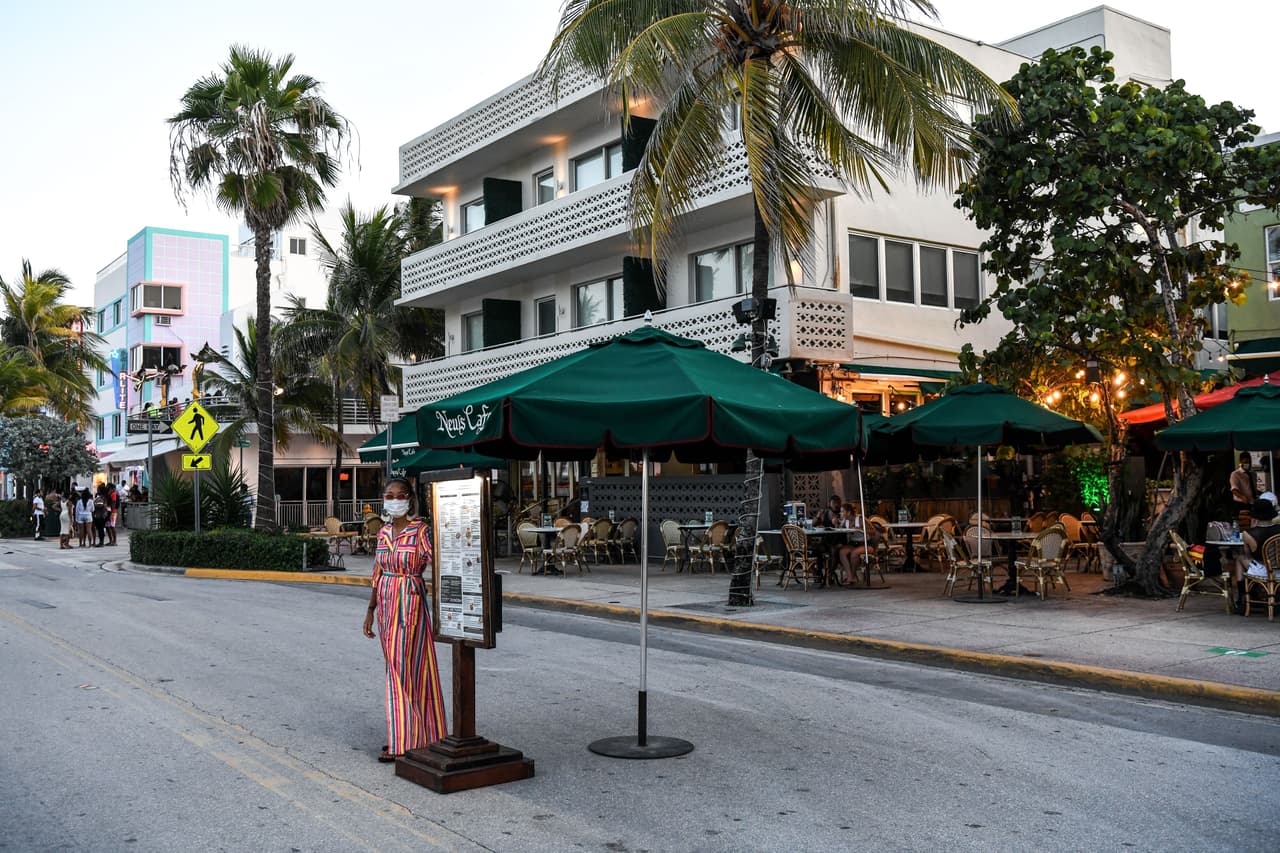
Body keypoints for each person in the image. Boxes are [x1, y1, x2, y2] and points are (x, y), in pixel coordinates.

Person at [361, 476, 447, 763]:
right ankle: (423, 734)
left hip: (410, 601)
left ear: (409, 499)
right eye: (389, 495)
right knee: (399, 668)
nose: (394, 500)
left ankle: (402, 741)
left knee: (405, 669)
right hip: (386, 604)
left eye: (400, 495)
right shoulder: (383, 533)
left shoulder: (420, 531)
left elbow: (440, 564)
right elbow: (377, 572)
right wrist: (370, 610)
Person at [834, 502, 871, 585]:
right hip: (853, 544)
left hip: (865, 544)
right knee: (842, 552)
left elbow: (873, 531)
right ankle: (850, 576)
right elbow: (839, 531)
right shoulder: (845, 521)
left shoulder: (860, 519)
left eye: (842, 511)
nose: (841, 513)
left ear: (848, 512)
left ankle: (853, 576)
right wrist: (836, 524)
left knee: (854, 553)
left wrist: (861, 529)